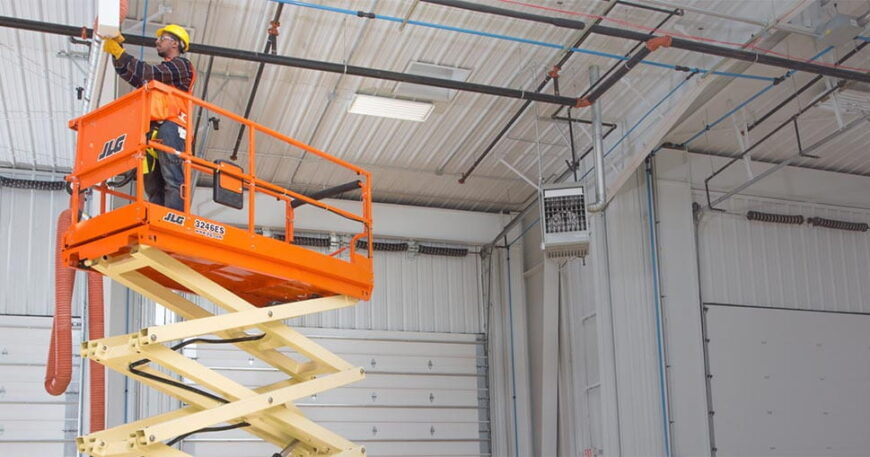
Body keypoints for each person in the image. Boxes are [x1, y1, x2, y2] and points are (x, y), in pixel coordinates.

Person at [102, 25, 196, 211]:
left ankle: (174, 220)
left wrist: (122, 54)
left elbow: (148, 73)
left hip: (173, 127)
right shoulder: (163, 73)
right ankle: (157, 219)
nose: (157, 41)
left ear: (175, 43)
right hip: (153, 131)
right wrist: (117, 55)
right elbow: (134, 76)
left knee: (172, 179)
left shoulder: (182, 66)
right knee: (153, 186)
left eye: (162, 38)